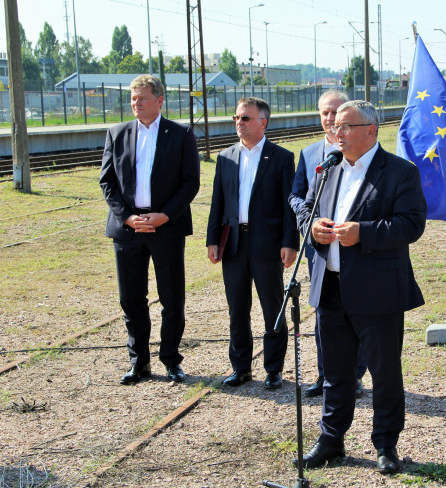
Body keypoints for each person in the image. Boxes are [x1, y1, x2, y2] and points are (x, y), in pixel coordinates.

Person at [294, 101, 426, 474]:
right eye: (335, 126)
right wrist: (313, 227)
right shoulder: (328, 168)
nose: (337, 133)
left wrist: (363, 233)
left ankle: (386, 444)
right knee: (336, 373)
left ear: (371, 130)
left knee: (384, 372)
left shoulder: (400, 171)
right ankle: (331, 440)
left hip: (377, 291)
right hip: (331, 287)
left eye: (346, 126)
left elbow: (411, 224)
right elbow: (305, 208)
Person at [100, 74, 200, 385]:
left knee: (172, 298)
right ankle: (138, 363)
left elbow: (190, 183)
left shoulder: (180, 134)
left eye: (142, 98)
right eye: (132, 98)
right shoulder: (117, 133)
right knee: (131, 298)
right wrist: (127, 217)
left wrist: (165, 216)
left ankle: (171, 359)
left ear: (159, 100)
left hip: (165, 228)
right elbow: (108, 182)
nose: (136, 103)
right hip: (128, 229)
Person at [206, 97, 298, 390]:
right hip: (233, 243)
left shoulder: (281, 158)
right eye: (236, 118)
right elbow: (217, 203)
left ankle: (274, 369)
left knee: (272, 308)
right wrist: (212, 240)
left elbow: (289, 206)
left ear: (263, 122)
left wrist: (290, 242)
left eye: (245, 118)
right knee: (237, 307)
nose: (239, 123)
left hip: (267, 244)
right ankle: (241, 367)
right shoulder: (226, 157)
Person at [289, 89, 368, 399]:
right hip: (319, 249)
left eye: (337, 112)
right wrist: (310, 226)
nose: (331, 118)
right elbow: (297, 196)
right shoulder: (309, 155)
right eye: (325, 113)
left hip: (354, 250)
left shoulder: (361, 153)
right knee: (324, 313)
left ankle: (355, 375)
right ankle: (326, 374)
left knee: (355, 312)